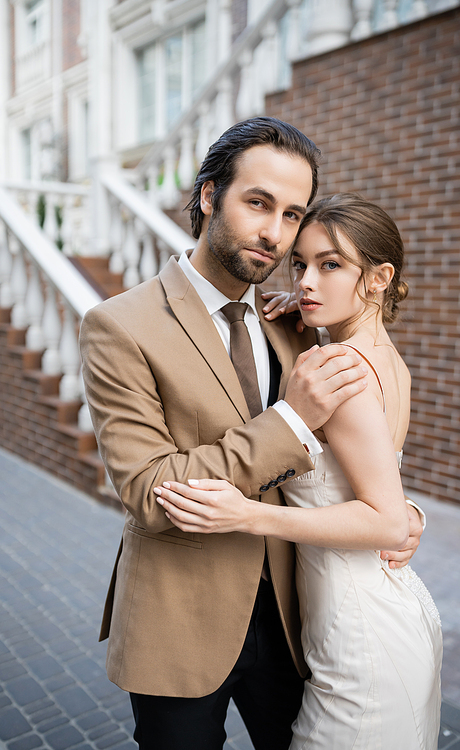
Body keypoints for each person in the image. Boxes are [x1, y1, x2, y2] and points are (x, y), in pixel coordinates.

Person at [79, 118, 424, 750]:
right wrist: (289, 421)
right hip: (179, 620)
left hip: (299, 618)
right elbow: (151, 491)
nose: (274, 233)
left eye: (293, 215)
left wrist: (396, 509)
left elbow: (355, 447)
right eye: (258, 203)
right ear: (210, 195)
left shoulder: (295, 319)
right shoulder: (119, 326)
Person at [154, 193, 442, 749]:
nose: (307, 281)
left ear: (380, 277)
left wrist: (247, 513)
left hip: (358, 635)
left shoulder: (338, 368)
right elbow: (382, 488)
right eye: (301, 264)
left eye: (330, 265)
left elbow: (384, 522)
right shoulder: (383, 357)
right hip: (384, 606)